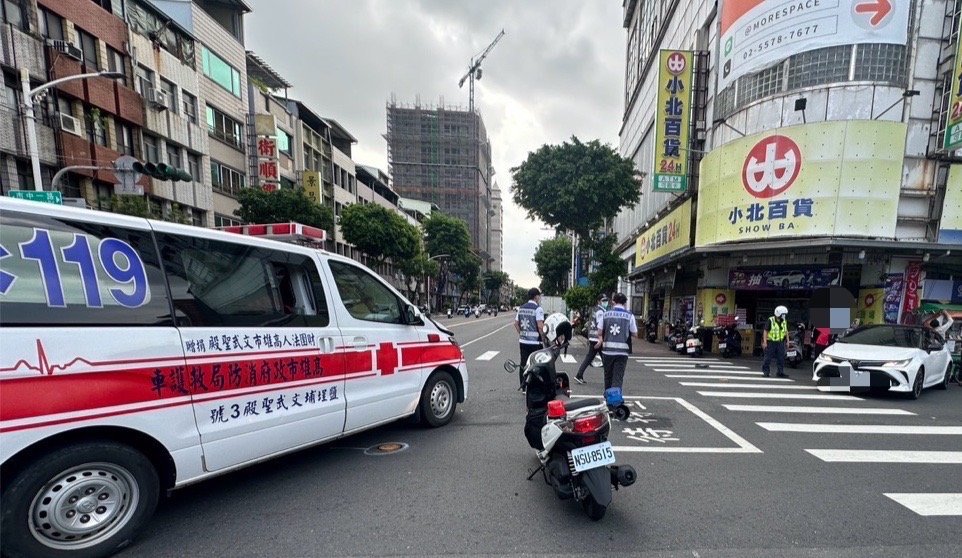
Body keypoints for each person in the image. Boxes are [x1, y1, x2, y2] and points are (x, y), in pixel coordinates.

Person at [595, 292, 637, 391]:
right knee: (618, 378)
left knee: (608, 377)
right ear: (625, 303)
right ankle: (616, 401)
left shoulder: (605, 315)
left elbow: (600, 331)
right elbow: (635, 333)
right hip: (622, 353)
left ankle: (608, 399)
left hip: (607, 351)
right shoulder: (629, 316)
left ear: (613, 301)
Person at [515, 287, 546, 389]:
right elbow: (540, 326)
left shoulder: (521, 308)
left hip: (523, 341)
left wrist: (522, 333)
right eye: (539, 296)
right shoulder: (538, 309)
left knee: (523, 363)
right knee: (536, 363)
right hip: (535, 343)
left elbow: (515, 324)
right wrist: (543, 339)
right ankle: (534, 385)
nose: (539, 298)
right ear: (536, 296)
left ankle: (523, 385)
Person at [575, 294, 608, 384]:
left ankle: (579, 375)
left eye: (606, 300)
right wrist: (601, 339)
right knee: (605, 359)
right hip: (598, 338)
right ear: (598, 301)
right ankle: (610, 379)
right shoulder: (600, 311)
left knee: (591, 357)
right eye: (603, 300)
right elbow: (600, 325)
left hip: (593, 337)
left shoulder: (595, 309)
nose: (605, 302)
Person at [762, 305, 789, 377]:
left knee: (781, 358)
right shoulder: (770, 320)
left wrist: (788, 341)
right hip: (771, 342)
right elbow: (765, 331)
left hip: (780, 342)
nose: (784, 316)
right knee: (768, 357)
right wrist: (765, 342)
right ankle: (766, 372)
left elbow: (786, 331)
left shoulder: (784, 321)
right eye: (783, 315)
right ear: (779, 313)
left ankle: (780, 372)